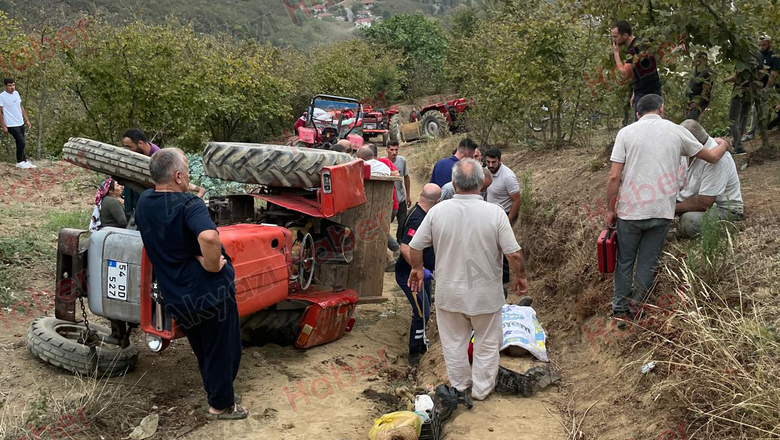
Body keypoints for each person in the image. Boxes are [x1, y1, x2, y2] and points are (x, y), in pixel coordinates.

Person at [135, 148, 247, 420]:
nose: (189, 175)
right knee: (224, 350)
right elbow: (209, 238)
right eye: (186, 171)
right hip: (209, 293)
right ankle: (221, 407)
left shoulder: (144, 203)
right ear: (177, 176)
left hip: (177, 295)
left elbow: (171, 236)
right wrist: (211, 263)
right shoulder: (189, 206)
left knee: (204, 349)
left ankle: (218, 393)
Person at [408, 159, 528, 403]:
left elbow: (415, 245)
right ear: (482, 185)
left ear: (453, 183)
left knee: (453, 343)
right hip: (485, 296)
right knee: (487, 342)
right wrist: (521, 276)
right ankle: (482, 390)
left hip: (449, 294)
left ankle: (461, 386)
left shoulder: (437, 212)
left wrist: (418, 268)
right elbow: (513, 254)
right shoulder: (495, 213)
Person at [606, 94, 729, 328]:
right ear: (661, 109)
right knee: (647, 262)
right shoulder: (676, 131)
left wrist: (611, 210)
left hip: (630, 212)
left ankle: (620, 311)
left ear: (638, 113)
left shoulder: (625, 133)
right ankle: (636, 309)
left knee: (625, 261)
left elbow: (613, 176)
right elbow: (712, 156)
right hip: (662, 211)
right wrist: (722, 143)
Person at [395, 183, 442, 366]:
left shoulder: (423, 214)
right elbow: (405, 246)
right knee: (421, 311)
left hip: (422, 273)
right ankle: (414, 354)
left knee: (426, 310)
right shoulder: (417, 219)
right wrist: (419, 268)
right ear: (437, 201)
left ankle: (422, 343)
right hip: (411, 276)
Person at [676, 120, 743, 238]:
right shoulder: (686, 153)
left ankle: (729, 226)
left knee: (690, 222)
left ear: (691, 143)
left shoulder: (718, 159)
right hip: (696, 202)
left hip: (722, 208)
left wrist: (670, 209)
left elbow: (704, 203)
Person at [121, 128, 205, 222]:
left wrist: (197, 190)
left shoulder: (160, 158)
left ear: (140, 143)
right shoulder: (137, 157)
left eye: (129, 147)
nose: (127, 150)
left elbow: (173, 179)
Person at [611, 21, 662, 119]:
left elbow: (624, 74)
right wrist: (635, 91)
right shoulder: (640, 43)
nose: (613, 40)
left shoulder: (633, 50)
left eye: (615, 36)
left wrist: (616, 54)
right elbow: (641, 71)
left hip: (646, 93)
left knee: (641, 127)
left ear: (625, 35)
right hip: (650, 89)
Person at [742, 36, 779, 142]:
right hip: (754, 86)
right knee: (755, 109)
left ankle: (752, 133)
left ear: (769, 44)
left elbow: (773, 74)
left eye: (763, 45)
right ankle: (758, 131)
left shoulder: (774, 56)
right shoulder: (757, 55)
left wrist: (767, 88)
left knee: (757, 109)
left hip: (766, 88)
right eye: (759, 45)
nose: (761, 47)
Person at [0, 78, 35, 169]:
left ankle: (24, 160)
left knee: (21, 142)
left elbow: (20, 107)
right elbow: (0, 112)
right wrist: (3, 126)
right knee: (21, 142)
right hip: (11, 124)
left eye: (13, 85)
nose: (12, 87)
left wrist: (26, 120)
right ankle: (19, 161)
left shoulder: (16, 94)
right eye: (10, 85)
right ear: (6, 86)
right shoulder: (2, 96)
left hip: (20, 122)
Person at [484, 149, 522, 225]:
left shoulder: (508, 177)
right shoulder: (486, 171)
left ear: (500, 160)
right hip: (490, 214)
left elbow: (517, 200)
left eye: (493, 162)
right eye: (488, 162)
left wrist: (508, 221)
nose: (490, 165)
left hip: (504, 215)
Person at [387, 142, 412, 244]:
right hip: (389, 200)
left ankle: (400, 243)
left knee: (402, 223)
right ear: (387, 150)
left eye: (396, 150)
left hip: (400, 198)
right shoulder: (382, 162)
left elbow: (406, 178)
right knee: (386, 223)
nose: (394, 152)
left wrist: (408, 195)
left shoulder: (402, 161)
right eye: (392, 150)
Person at [686, 52, 714, 121]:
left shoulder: (707, 72)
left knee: (690, 121)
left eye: (698, 59)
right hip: (691, 102)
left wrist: (697, 103)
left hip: (698, 103)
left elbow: (706, 91)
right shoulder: (697, 71)